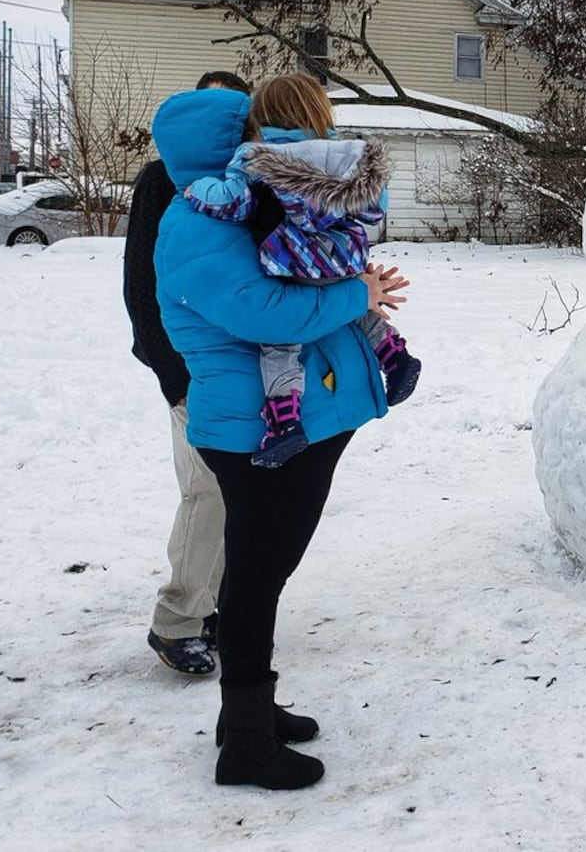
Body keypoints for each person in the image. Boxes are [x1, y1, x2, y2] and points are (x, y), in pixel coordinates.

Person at [151, 83, 409, 790]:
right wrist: (359, 293)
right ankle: (247, 747)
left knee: (258, 570)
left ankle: (246, 716)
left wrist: (354, 282)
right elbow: (266, 312)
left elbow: (293, 277)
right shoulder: (200, 218)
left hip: (279, 420)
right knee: (259, 579)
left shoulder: (242, 206)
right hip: (253, 429)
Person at [180, 72, 421, 467]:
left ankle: (285, 423)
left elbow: (232, 203)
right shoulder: (348, 155)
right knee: (354, 306)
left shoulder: (257, 157)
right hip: (344, 258)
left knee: (280, 344)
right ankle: (394, 355)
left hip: (293, 261)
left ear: (263, 117)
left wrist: (197, 188)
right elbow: (374, 209)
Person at [125, 70, 251, 676]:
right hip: (187, 367)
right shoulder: (161, 182)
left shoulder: (242, 180)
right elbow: (143, 287)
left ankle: (210, 606)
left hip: (232, 367)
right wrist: (171, 374)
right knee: (207, 491)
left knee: (233, 495)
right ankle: (176, 622)